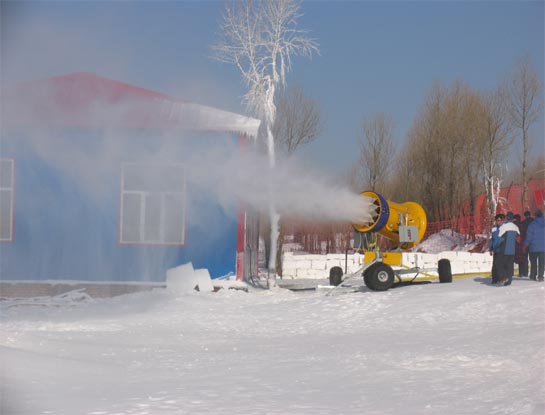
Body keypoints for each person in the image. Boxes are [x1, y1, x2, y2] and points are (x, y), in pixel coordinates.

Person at [496, 211, 520, 286]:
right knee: (509, 266)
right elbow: (518, 238)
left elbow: (498, 237)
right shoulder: (516, 227)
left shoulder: (504, 226)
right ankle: (508, 281)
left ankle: (503, 277)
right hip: (512, 250)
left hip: (504, 249)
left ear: (507, 217)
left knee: (499, 264)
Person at [524, 209, 545, 281]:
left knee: (533, 262)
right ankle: (541, 276)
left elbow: (529, 236)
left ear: (535, 216)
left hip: (533, 247)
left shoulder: (532, 224)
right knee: (542, 263)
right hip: (543, 247)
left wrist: (525, 244)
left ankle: (533, 275)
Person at [489, 213, 505, 284]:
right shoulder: (494, 229)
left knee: (499, 264)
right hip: (495, 249)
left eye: (500, 220)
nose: (498, 222)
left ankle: (500, 278)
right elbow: (491, 239)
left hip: (501, 249)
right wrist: (491, 248)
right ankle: (494, 279)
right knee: (494, 264)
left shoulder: (504, 228)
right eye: (497, 220)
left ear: (502, 221)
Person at [518, 211, 533, 277]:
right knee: (532, 259)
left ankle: (525, 272)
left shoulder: (523, 223)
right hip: (532, 243)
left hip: (525, 242)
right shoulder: (534, 222)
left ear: (524, 216)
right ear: (530, 215)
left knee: (525, 258)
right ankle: (533, 272)